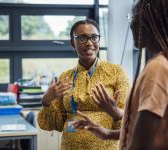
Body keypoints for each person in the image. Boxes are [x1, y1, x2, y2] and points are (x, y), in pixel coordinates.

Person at [73, 0, 168, 149]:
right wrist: (107, 133)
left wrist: (115, 112)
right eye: (82, 38)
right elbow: (140, 127)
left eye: (133, 17)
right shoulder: (158, 64)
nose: (130, 25)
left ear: (149, 21)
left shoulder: (157, 68)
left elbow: (141, 143)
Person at [37, 19, 130, 150]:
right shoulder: (66, 77)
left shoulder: (116, 72)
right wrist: (46, 100)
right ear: (72, 43)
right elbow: (55, 123)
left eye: (94, 37)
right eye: (82, 38)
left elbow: (130, 123)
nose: (89, 43)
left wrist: (115, 111)